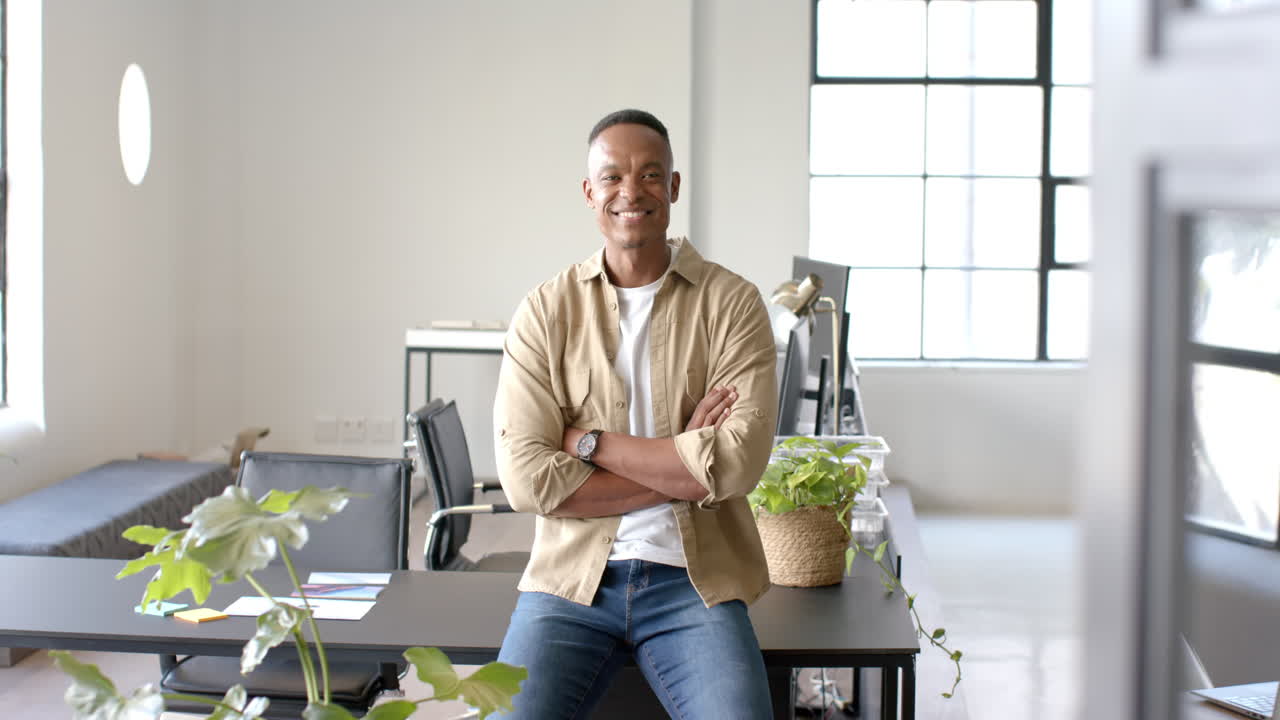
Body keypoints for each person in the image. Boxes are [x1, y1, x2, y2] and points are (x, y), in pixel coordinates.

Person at [493, 108, 779, 719]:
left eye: (651, 175)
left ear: (673, 187)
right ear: (589, 191)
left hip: (694, 583)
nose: (632, 192)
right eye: (613, 176)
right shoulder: (546, 310)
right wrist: (682, 458)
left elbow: (734, 467)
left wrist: (586, 442)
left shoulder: (732, 304)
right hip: (569, 581)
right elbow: (526, 481)